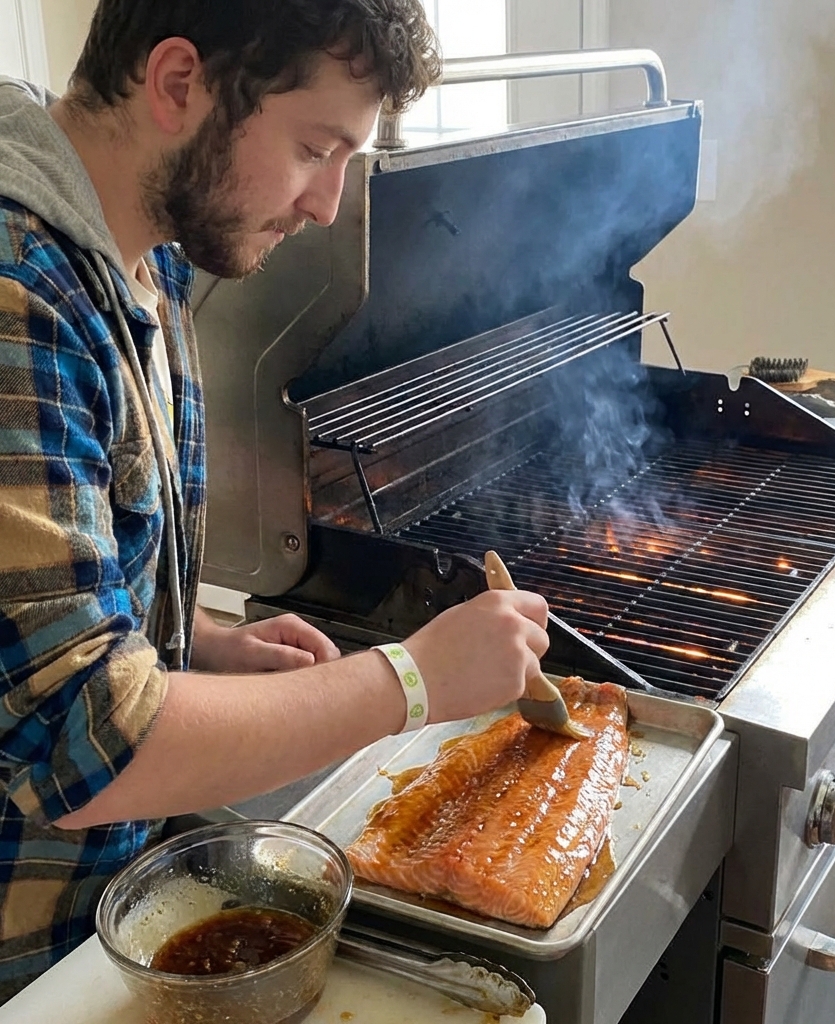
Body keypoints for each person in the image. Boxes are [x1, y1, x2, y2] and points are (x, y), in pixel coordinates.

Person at [0, 0, 549, 1000]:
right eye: (314, 148)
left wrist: (187, 638)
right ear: (178, 84)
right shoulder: (16, 299)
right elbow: (85, 748)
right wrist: (412, 679)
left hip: (113, 914)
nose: (328, 204)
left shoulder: (148, 253)